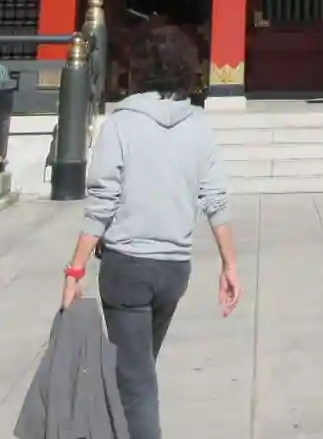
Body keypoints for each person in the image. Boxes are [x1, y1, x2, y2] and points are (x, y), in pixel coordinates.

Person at [60, 25, 241, 439]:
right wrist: (229, 265)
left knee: (136, 382)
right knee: (139, 367)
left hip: (127, 267)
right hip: (174, 269)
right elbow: (215, 198)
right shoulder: (199, 126)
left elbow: (102, 202)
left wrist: (75, 269)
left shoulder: (120, 124)